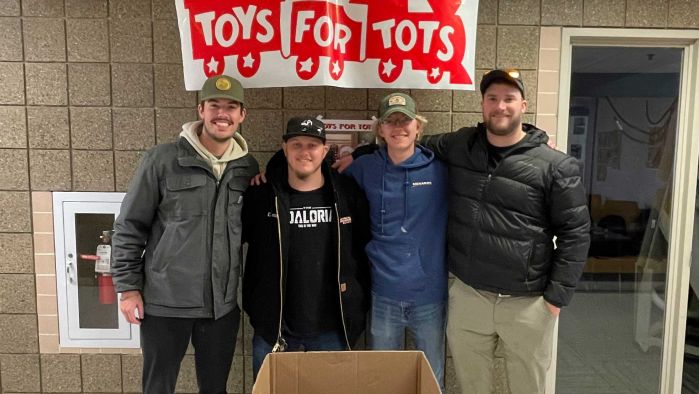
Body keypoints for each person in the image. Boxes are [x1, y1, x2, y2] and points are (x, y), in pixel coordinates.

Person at [336, 69, 591, 394]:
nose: (500, 106)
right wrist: (359, 153)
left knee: (526, 385)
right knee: (468, 384)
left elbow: (576, 233)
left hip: (524, 301)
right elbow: (404, 147)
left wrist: (556, 298)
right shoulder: (461, 148)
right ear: (483, 105)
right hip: (468, 297)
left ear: (524, 105)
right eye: (492, 99)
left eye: (509, 99)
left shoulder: (552, 165)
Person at [111, 74, 258, 394]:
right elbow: (129, 225)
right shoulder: (162, 160)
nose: (223, 113)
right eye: (214, 105)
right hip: (165, 303)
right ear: (201, 110)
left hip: (221, 306)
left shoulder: (246, 166)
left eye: (231, 107)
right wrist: (128, 287)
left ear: (242, 115)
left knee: (215, 388)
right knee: (158, 387)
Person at [241, 116, 371, 380]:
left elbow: (362, 248)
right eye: (296, 144)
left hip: (333, 331)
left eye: (312, 145)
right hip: (275, 331)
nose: (304, 152)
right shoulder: (261, 195)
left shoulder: (347, 193)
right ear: (284, 148)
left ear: (324, 151)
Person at [342, 93, 448, 390]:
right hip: (383, 294)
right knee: (381, 379)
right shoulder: (364, 168)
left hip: (429, 295)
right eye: (391, 120)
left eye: (405, 120)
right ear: (380, 129)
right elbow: (312, 174)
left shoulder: (441, 171)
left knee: (430, 378)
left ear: (418, 128)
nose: (398, 127)